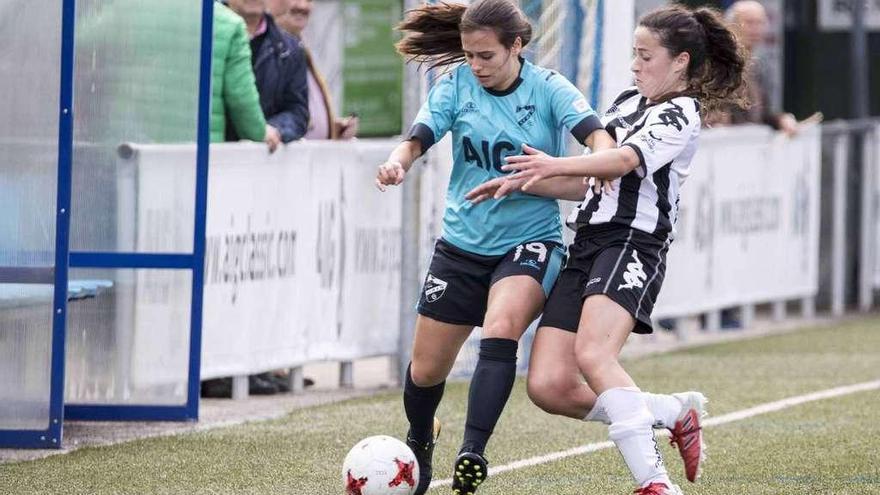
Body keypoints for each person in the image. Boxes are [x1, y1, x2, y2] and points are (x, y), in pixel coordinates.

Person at [467, 5, 747, 494]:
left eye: (645, 56)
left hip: (632, 243)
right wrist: (527, 183)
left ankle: (654, 482)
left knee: (595, 354)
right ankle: (671, 412)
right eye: (633, 55)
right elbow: (591, 183)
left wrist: (554, 163)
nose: (635, 66)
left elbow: (619, 162)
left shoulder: (680, 112)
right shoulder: (624, 102)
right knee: (548, 385)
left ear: (680, 62)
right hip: (589, 243)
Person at [375, 1, 616, 493]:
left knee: (501, 327)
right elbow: (416, 140)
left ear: (517, 47)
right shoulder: (456, 85)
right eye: (468, 55)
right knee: (425, 371)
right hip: (462, 246)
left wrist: (574, 165)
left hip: (531, 241)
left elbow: (600, 140)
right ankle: (422, 436)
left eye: (486, 55)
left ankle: (473, 452)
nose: (476, 66)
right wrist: (397, 163)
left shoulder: (549, 89)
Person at [267, 0, 359, 139]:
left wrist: (332, 128)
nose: (303, 6)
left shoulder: (299, 48)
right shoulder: (265, 51)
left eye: (309, 0)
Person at [226, 0, 310, 144]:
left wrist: (272, 130)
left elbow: (297, 112)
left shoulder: (289, 50)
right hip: (209, 158)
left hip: (263, 160)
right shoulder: (204, 36)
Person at [210, 1, 277, 152]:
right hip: (202, 155)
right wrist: (260, 132)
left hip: (148, 147)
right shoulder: (228, 23)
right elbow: (240, 95)